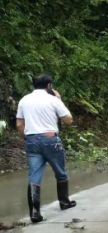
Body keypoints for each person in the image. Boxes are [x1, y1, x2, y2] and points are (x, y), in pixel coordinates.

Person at [16, 74, 76, 223]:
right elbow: (68, 120)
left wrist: (28, 137)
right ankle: (64, 202)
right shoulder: (53, 100)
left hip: (31, 140)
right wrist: (59, 100)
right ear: (49, 85)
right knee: (60, 173)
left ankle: (35, 213)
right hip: (50, 139)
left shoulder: (24, 100)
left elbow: (18, 124)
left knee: (34, 177)